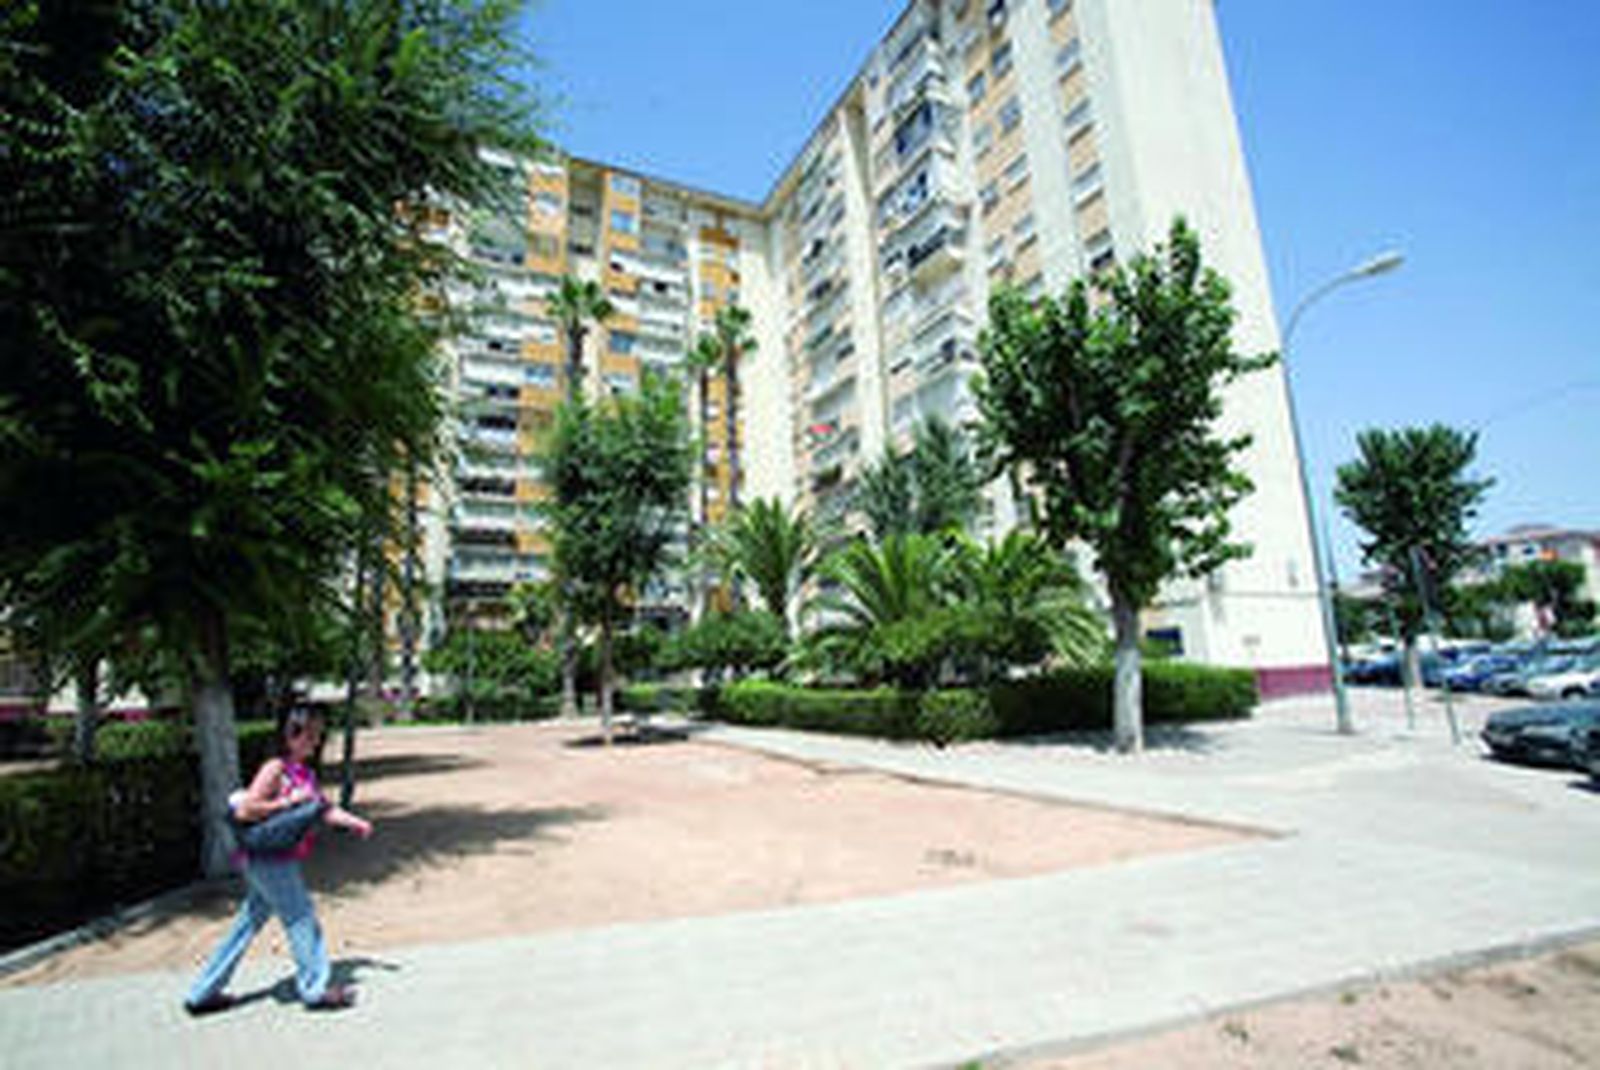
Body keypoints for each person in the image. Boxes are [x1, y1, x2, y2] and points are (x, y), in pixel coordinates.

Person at [184, 706, 373, 1015]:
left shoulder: (305, 774)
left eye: (318, 734)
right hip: (268, 858)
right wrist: (287, 801)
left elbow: (322, 809)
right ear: (290, 735)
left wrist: (355, 822)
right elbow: (246, 810)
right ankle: (315, 989)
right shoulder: (276, 768)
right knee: (301, 918)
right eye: (309, 734)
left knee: (246, 925)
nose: (315, 740)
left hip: (271, 858)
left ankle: (203, 992)